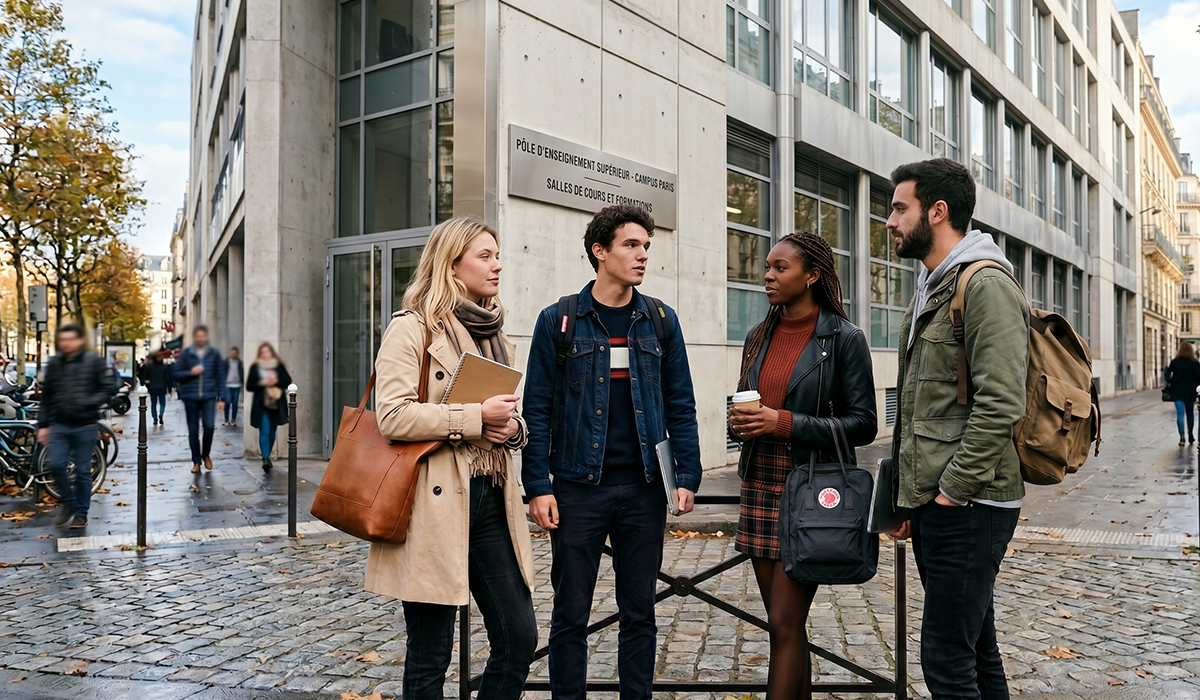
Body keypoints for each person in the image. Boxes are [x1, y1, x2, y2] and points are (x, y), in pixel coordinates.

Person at [523, 204, 702, 700]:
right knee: (570, 614)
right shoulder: (558, 320)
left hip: (643, 489)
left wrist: (686, 475)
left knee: (639, 613)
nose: (643, 255)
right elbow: (535, 411)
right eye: (631, 244)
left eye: (646, 245)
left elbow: (680, 405)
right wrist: (538, 486)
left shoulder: (661, 321)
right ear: (600, 252)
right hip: (578, 488)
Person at [368, 216, 536, 700]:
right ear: (452, 264)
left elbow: (504, 416)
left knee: (519, 636)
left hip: (490, 500)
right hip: (431, 506)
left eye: (497, 254)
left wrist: (511, 428)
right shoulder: (412, 328)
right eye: (485, 256)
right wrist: (474, 418)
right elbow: (393, 416)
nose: (497, 265)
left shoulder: (492, 330)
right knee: (431, 653)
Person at [885, 158, 1029, 700]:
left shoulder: (985, 283)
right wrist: (909, 498)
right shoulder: (933, 286)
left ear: (937, 211)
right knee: (975, 650)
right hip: (942, 502)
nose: (890, 220)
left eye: (900, 207)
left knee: (945, 659)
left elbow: (1001, 403)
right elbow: (923, 407)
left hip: (971, 504)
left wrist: (950, 492)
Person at [727, 232, 878, 700]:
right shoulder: (759, 335)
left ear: (811, 276)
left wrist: (786, 423)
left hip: (811, 490)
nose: (767, 276)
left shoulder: (844, 339)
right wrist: (739, 421)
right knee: (783, 627)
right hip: (761, 482)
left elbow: (864, 423)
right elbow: (750, 402)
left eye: (780, 268)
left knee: (784, 623)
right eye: (767, 267)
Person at [36, 323, 111, 529]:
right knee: (56, 464)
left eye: (71, 339)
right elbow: (47, 397)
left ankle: (81, 513)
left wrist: (91, 402)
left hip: (85, 424)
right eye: (63, 340)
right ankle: (68, 503)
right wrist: (43, 425)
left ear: (79, 341)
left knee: (82, 470)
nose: (67, 343)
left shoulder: (93, 362)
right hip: (59, 424)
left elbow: (107, 387)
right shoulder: (54, 364)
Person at [171, 326, 227, 474]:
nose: (201, 338)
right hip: (190, 397)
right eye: (198, 336)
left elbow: (220, 376)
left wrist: (222, 398)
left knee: (209, 427)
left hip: (208, 396)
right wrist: (191, 372)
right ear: (195, 338)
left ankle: (206, 454)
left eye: (203, 336)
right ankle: (196, 461)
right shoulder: (186, 354)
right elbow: (176, 375)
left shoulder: (213, 354)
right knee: (193, 431)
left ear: (206, 337)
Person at [245, 343, 291, 472]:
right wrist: (262, 383)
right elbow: (249, 386)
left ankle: (268, 455)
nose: (266, 354)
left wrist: (275, 381)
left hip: (276, 404)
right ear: (260, 354)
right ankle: (265, 458)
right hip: (261, 405)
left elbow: (287, 381)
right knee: (264, 430)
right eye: (263, 352)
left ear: (272, 353)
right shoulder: (256, 367)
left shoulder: (278, 366)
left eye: (268, 352)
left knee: (272, 432)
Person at [1166, 342, 1200, 445]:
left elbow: (1167, 375)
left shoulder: (1175, 362)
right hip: (1190, 392)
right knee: (1190, 414)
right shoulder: (1195, 363)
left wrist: (1171, 382)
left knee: (1180, 414)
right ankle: (1190, 434)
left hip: (1178, 391)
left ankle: (1182, 438)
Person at [138, 352, 175, 426]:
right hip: (162, 387)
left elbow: (144, 377)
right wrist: (170, 388)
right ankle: (161, 413)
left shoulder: (149, 367)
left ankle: (155, 418)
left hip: (152, 388)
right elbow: (168, 378)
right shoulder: (165, 367)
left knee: (153, 404)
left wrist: (144, 385)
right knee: (162, 403)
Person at [223, 347, 245, 427]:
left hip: (237, 385)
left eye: (235, 353)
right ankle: (226, 419)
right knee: (227, 401)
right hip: (227, 385)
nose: (233, 354)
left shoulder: (239, 363)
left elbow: (242, 373)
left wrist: (243, 383)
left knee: (235, 403)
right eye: (232, 353)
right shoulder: (226, 362)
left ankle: (233, 419)